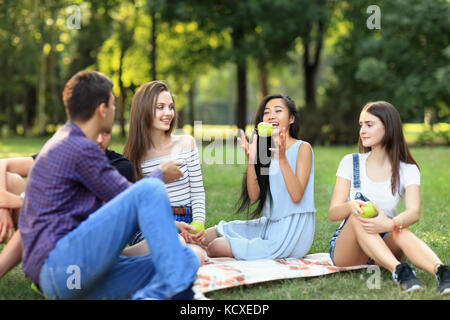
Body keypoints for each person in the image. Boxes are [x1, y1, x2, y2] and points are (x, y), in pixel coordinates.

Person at [18, 70, 200, 300]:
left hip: (77, 278)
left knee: (186, 258)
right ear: (102, 109)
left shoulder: (64, 140)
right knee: (150, 188)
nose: (114, 111)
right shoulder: (77, 147)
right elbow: (133, 197)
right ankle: (176, 290)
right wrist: (160, 174)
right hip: (63, 270)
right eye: (113, 105)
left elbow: (120, 204)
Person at [327, 101, 449, 294]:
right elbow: (333, 213)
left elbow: (414, 212)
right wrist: (351, 206)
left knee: (401, 230)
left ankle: (443, 272)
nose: (362, 131)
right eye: (361, 125)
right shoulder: (350, 162)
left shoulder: (407, 169)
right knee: (359, 215)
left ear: (388, 126)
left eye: (369, 124)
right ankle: (399, 271)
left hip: (384, 245)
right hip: (349, 251)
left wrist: (390, 225)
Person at [202, 94, 315, 260]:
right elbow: (254, 196)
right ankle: (177, 250)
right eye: (266, 112)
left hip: (291, 233)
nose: (271, 116)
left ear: (291, 118)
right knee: (210, 234)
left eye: (278, 111)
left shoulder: (303, 148)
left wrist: (282, 159)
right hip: (269, 225)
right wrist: (251, 161)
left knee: (216, 247)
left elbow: (297, 195)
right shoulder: (265, 151)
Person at [122, 80, 206, 261]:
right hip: (150, 224)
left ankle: (133, 259)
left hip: (185, 222)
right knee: (177, 244)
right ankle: (124, 256)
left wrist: (197, 224)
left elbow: (198, 192)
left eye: (171, 107)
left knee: (198, 256)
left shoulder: (186, 143)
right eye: (160, 107)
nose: (168, 113)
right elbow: (137, 206)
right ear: (143, 110)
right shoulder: (132, 156)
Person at [0, 157, 34, 279]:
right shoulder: (63, 154)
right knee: (12, 180)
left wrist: (19, 201)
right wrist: (3, 207)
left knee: (38, 217)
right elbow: (2, 163)